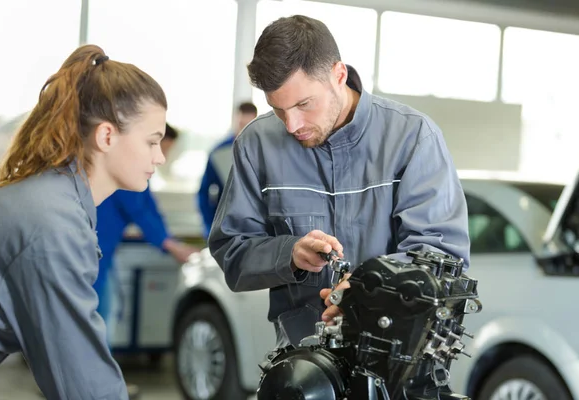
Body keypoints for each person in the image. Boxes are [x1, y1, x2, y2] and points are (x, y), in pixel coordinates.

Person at [208, 15, 471, 348]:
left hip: (397, 353)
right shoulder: (256, 145)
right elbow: (231, 248)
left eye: (304, 104)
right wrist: (290, 253)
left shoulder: (414, 138)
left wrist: (368, 291)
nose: (291, 125)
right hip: (302, 359)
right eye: (278, 109)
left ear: (338, 75)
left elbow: (441, 254)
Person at [0, 44, 167, 399]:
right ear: (106, 136)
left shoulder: (54, 202)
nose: (160, 157)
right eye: (152, 142)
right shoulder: (53, 225)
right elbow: (85, 386)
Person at [95, 122, 197, 346]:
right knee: (99, 318)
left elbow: (149, 206)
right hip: (92, 252)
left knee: (104, 313)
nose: (163, 158)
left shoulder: (137, 170)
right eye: (164, 149)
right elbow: (139, 210)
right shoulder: (128, 164)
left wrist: (169, 241)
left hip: (103, 251)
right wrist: (169, 245)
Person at [198, 101, 257, 237]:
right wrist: (209, 228)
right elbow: (203, 193)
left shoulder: (265, 151)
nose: (244, 131)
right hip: (226, 227)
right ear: (236, 120)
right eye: (241, 124)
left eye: (249, 125)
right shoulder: (218, 153)